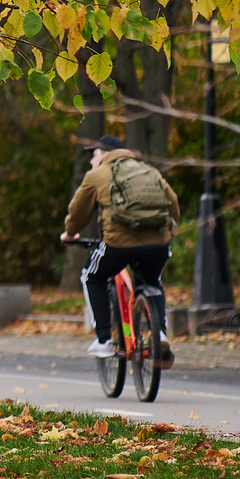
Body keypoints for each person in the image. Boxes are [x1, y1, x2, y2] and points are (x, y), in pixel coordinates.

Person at [61, 133, 180, 361]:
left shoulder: (96, 175)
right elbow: (173, 203)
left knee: (91, 276)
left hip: (118, 244)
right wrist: (168, 232)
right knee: (152, 281)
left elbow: (77, 213)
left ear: (105, 153)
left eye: (94, 155)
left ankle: (104, 340)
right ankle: (161, 336)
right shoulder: (148, 170)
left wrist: (69, 233)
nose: (91, 161)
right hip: (158, 243)